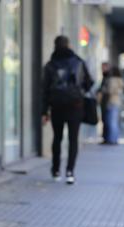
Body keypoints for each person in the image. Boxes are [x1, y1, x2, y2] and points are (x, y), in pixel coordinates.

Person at [42, 35, 94, 185]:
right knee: (73, 139)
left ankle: (56, 169)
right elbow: (89, 83)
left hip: (57, 106)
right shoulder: (78, 62)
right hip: (75, 106)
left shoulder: (50, 65)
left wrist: (44, 111)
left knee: (57, 138)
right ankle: (70, 171)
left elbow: (44, 90)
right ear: (69, 45)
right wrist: (79, 91)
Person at [103, 66, 124, 144]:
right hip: (117, 102)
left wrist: (104, 90)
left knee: (111, 122)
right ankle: (114, 139)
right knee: (114, 122)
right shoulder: (121, 80)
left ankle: (111, 140)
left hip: (111, 102)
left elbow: (110, 90)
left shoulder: (112, 80)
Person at [98, 62, 111, 143]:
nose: (102, 69)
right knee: (104, 119)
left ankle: (107, 138)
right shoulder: (104, 76)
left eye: (104, 67)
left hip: (107, 101)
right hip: (104, 101)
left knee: (106, 120)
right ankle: (105, 137)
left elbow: (106, 89)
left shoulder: (108, 76)